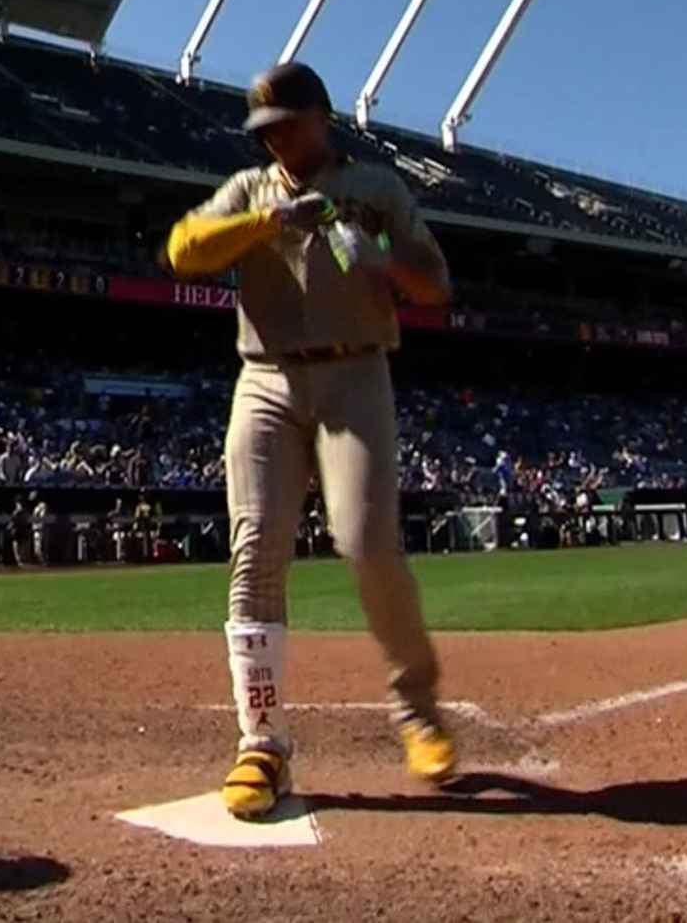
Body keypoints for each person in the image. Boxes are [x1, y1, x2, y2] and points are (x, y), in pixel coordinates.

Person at [164, 60, 457, 821]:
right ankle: (260, 743)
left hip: (356, 376)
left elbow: (436, 284)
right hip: (263, 379)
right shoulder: (251, 190)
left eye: (287, 126)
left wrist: (384, 262)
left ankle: (417, 709)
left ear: (322, 119)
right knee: (255, 546)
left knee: (365, 542)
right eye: (265, 132)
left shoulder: (378, 188)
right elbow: (183, 249)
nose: (276, 142)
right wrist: (267, 224)